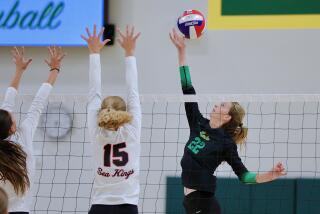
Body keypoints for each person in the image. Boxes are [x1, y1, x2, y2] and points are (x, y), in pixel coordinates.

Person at [169, 29, 287, 214]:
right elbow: (187, 88)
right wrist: (182, 52)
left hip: (204, 202)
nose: (217, 105)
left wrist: (270, 175)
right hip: (191, 201)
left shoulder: (226, 144)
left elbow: (245, 176)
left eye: (222, 105)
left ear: (227, 117)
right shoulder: (198, 123)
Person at [81, 25, 141, 214]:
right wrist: (130, 53)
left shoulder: (97, 132)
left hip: (100, 207)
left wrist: (94, 53)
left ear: (101, 112)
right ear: (125, 114)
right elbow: (133, 91)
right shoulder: (132, 130)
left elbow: (93, 93)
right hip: (127, 207)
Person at [0, 47, 66, 214]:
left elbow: (7, 104)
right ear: (12, 127)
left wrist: (19, 71)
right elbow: (39, 102)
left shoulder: (17, 134)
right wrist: (54, 69)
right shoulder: (24, 136)